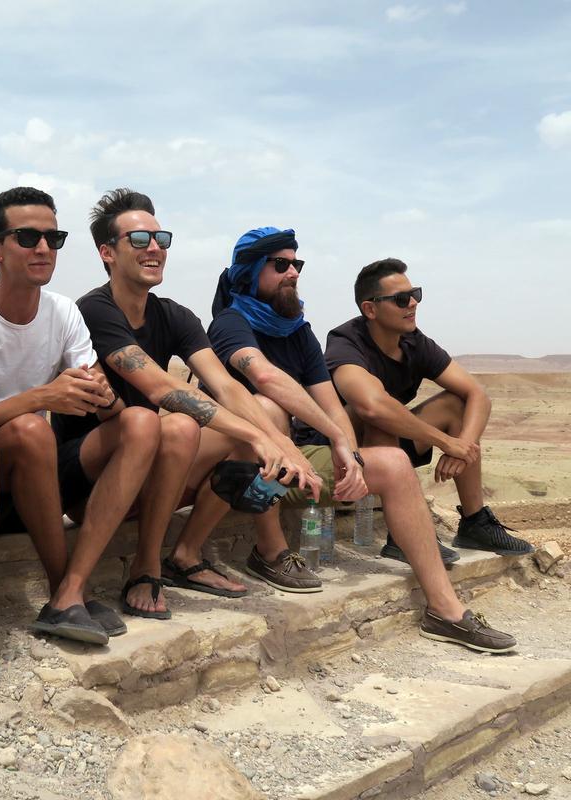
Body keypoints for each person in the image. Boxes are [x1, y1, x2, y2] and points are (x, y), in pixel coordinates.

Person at [167, 226, 516, 653]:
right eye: (280, 265)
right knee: (268, 410)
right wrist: (319, 440)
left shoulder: (298, 330)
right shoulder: (230, 324)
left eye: (296, 263)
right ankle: (270, 551)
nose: (292, 272)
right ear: (251, 272)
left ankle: (446, 611)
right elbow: (264, 376)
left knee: (393, 462)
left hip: (286, 463)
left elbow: (331, 403)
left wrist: (349, 453)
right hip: (232, 466)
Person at [54, 189, 319, 621]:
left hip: (148, 467)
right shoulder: (94, 310)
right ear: (107, 252)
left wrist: (278, 441)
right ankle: (146, 565)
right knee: (177, 425)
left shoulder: (175, 316)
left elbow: (226, 387)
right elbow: (162, 389)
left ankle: (184, 554)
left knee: (265, 412)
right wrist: (258, 437)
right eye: (139, 240)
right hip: (89, 479)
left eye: (161, 239)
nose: (154, 248)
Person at [0, 187, 160, 646]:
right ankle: (63, 585)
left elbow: (103, 403)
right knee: (29, 429)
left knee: (143, 421)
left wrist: (99, 393)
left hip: (36, 480)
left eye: (53, 238)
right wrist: (41, 397)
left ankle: (69, 593)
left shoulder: (62, 311)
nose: (43, 248)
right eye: (27, 237)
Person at [325, 258, 532, 558]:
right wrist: (446, 442)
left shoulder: (414, 342)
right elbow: (371, 406)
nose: (412, 303)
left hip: (390, 447)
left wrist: (463, 447)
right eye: (400, 299)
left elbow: (477, 394)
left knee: (456, 404)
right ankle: (402, 536)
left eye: (415, 294)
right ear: (370, 309)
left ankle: (475, 523)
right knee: (377, 411)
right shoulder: (345, 343)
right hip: (341, 450)